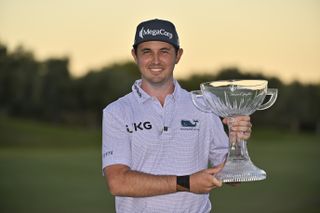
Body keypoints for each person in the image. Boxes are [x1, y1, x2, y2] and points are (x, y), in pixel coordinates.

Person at [102, 18, 252, 213]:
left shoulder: (203, 106)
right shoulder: (117, 111)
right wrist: (187, 183)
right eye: (147, 51)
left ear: (178, 55)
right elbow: (118, 182)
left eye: (164, 51)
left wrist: (236, 143)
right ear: (135, 55)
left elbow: (233, 179)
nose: (155, 60)